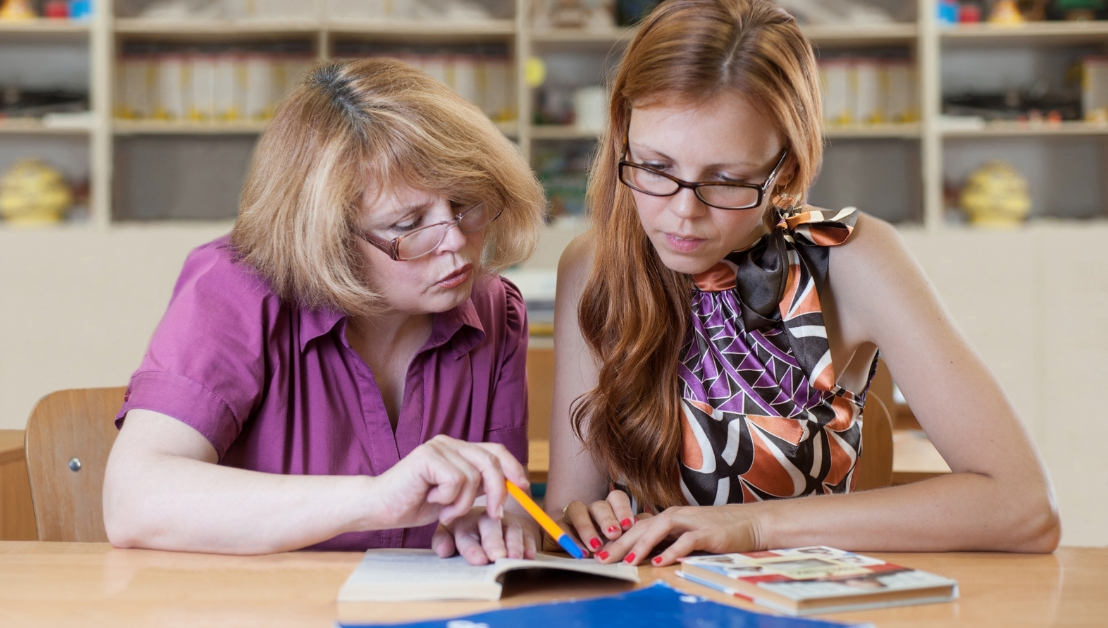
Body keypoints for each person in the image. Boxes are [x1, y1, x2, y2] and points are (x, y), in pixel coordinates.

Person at [545, 0, 1061, 566]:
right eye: (654, 167)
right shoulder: (594, 266)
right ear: (622, 135)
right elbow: (576, 502)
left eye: (728, 180)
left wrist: (753, 525)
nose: (683, 214)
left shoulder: (850, 259)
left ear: (784, 170)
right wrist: (581, 515)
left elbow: (1023, 505)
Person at [103, 58, 546, 564]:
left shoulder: (495, 311)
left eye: (466, 202)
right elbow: (132, 502)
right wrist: (374, 500)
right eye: (409, 224)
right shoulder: (234, 290)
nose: (458, 244)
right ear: (328, 237)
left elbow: (505, 501)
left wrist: (504, 521)